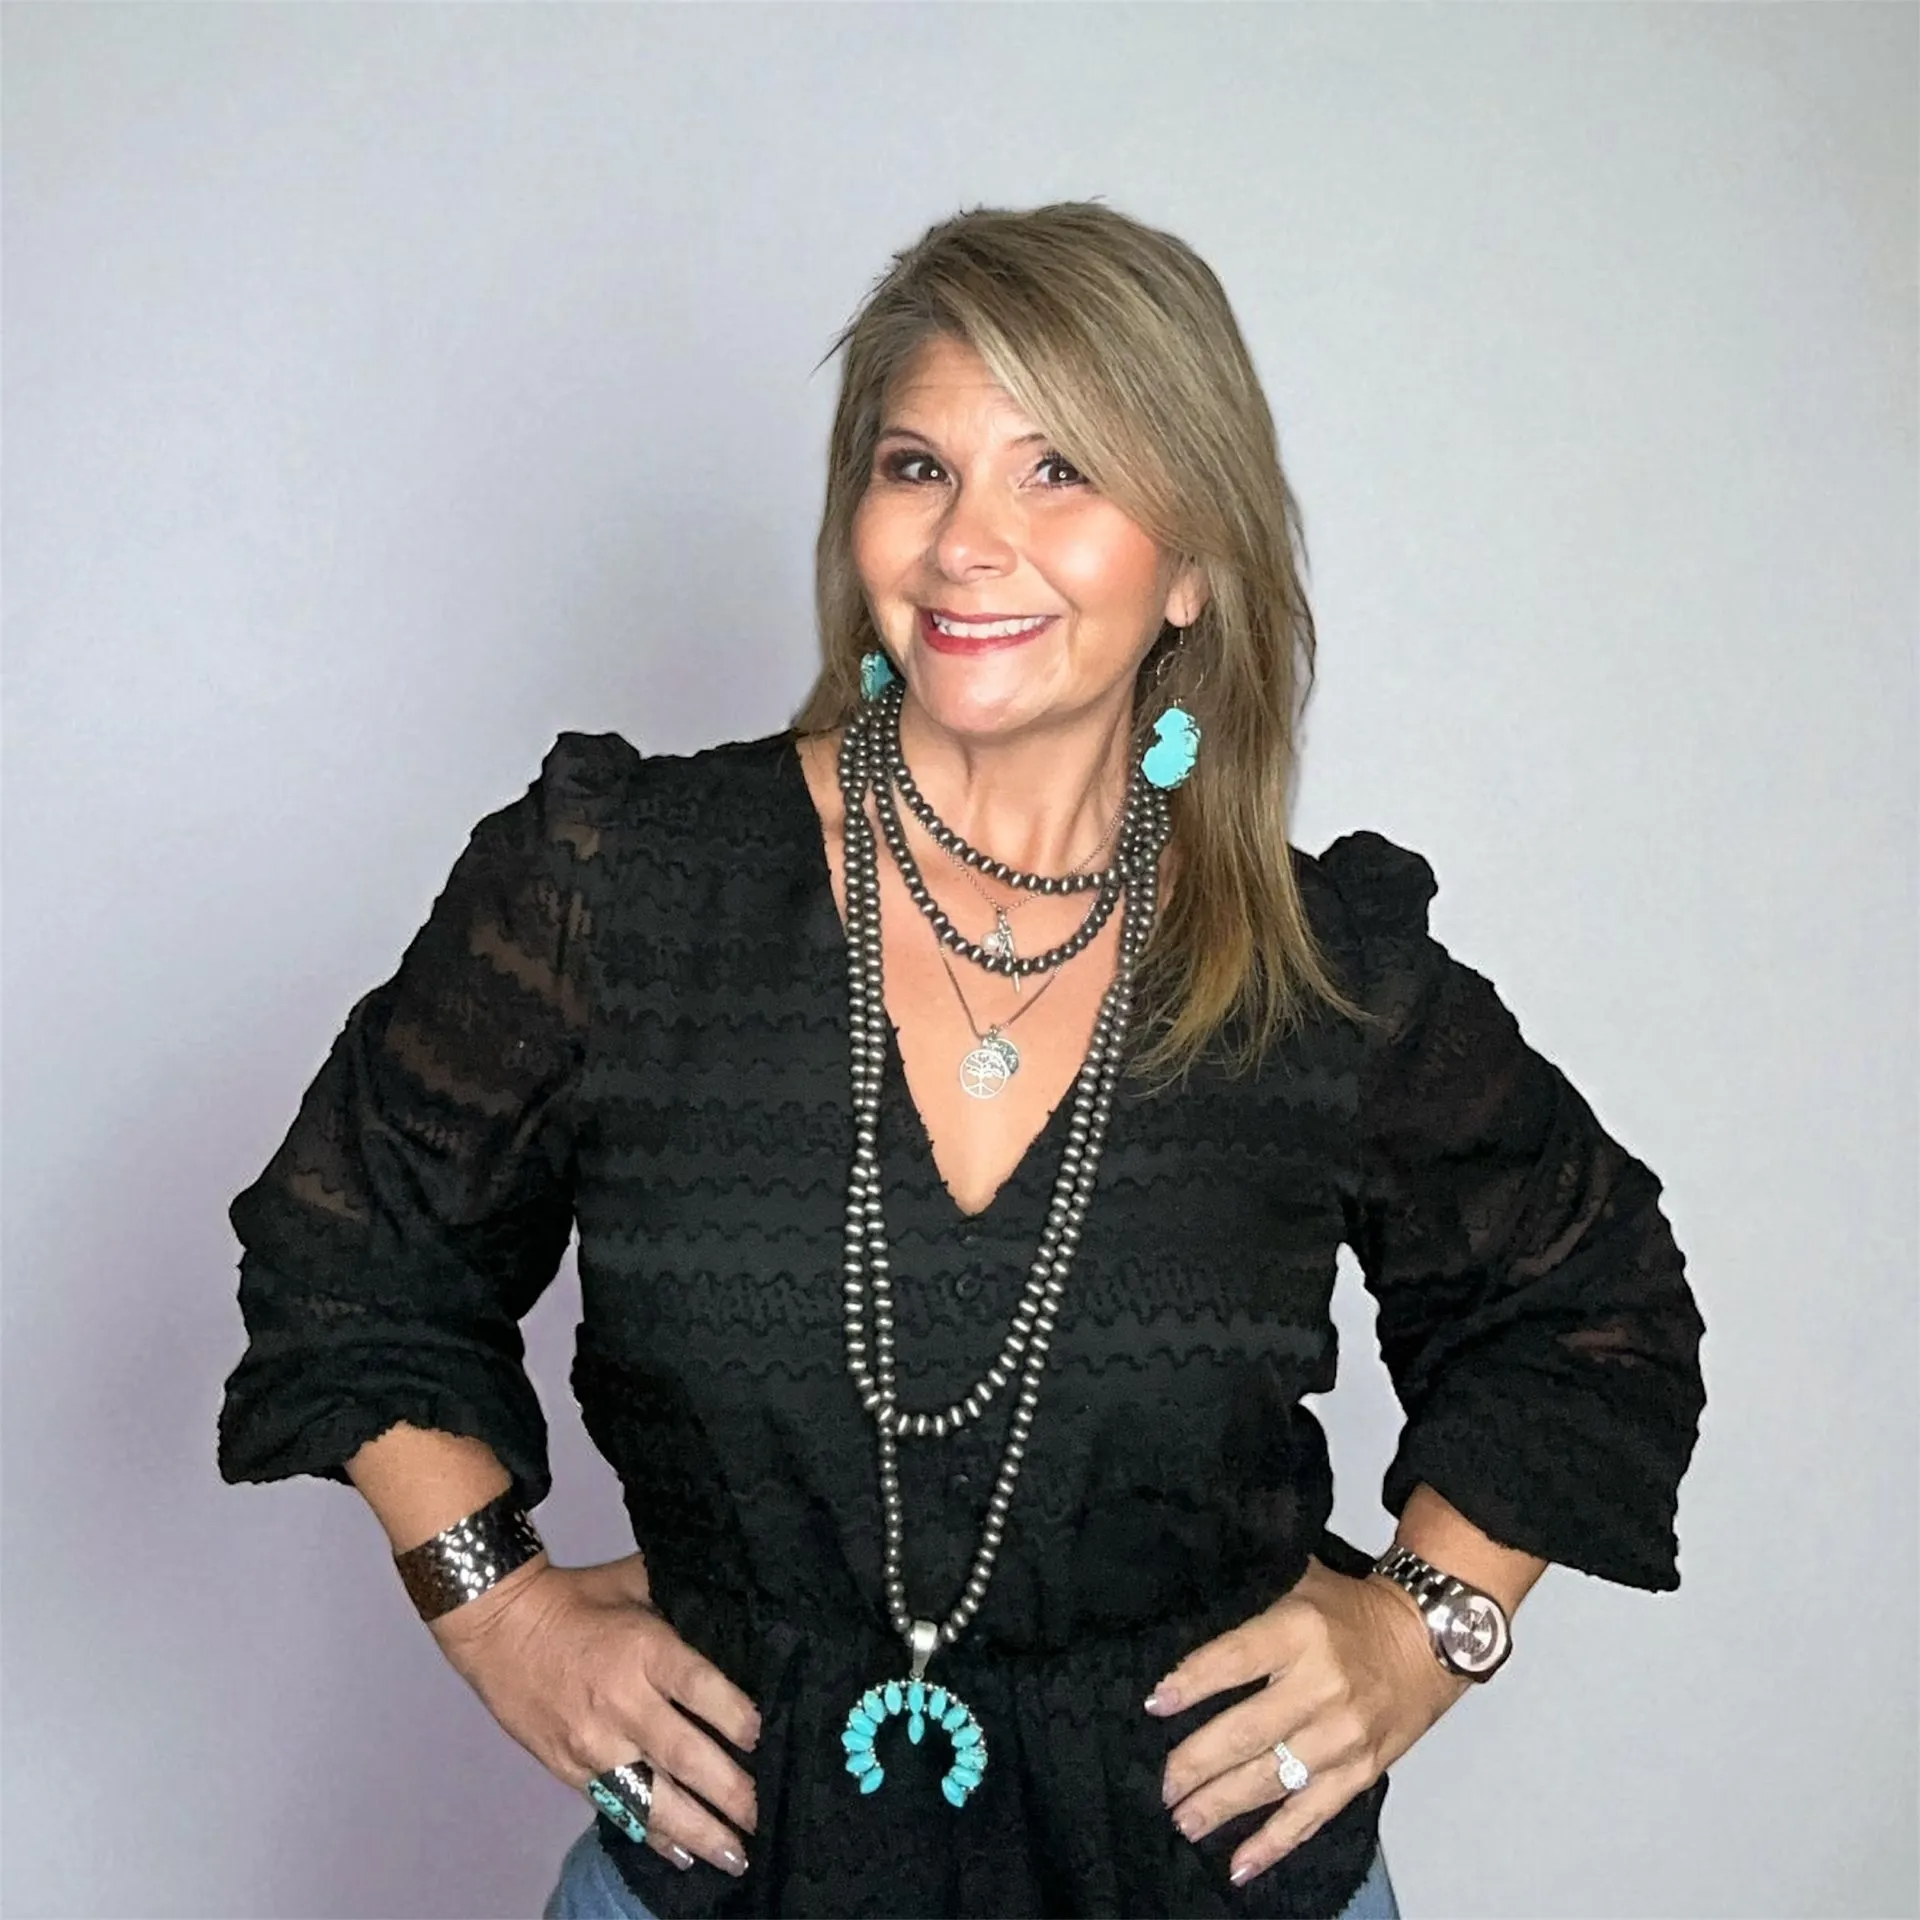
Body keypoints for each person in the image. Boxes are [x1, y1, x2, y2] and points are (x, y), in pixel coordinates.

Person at [217, 201, 1706, 1920]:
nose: (966, 543)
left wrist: (1422, 1631)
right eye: (917, 467)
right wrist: (503, 1611)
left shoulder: (1317, 970)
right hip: (726, 1887)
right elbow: (351, 1255)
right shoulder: (622, 882)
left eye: (1060, 470)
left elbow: (1591, 1305)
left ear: (1197, 563)